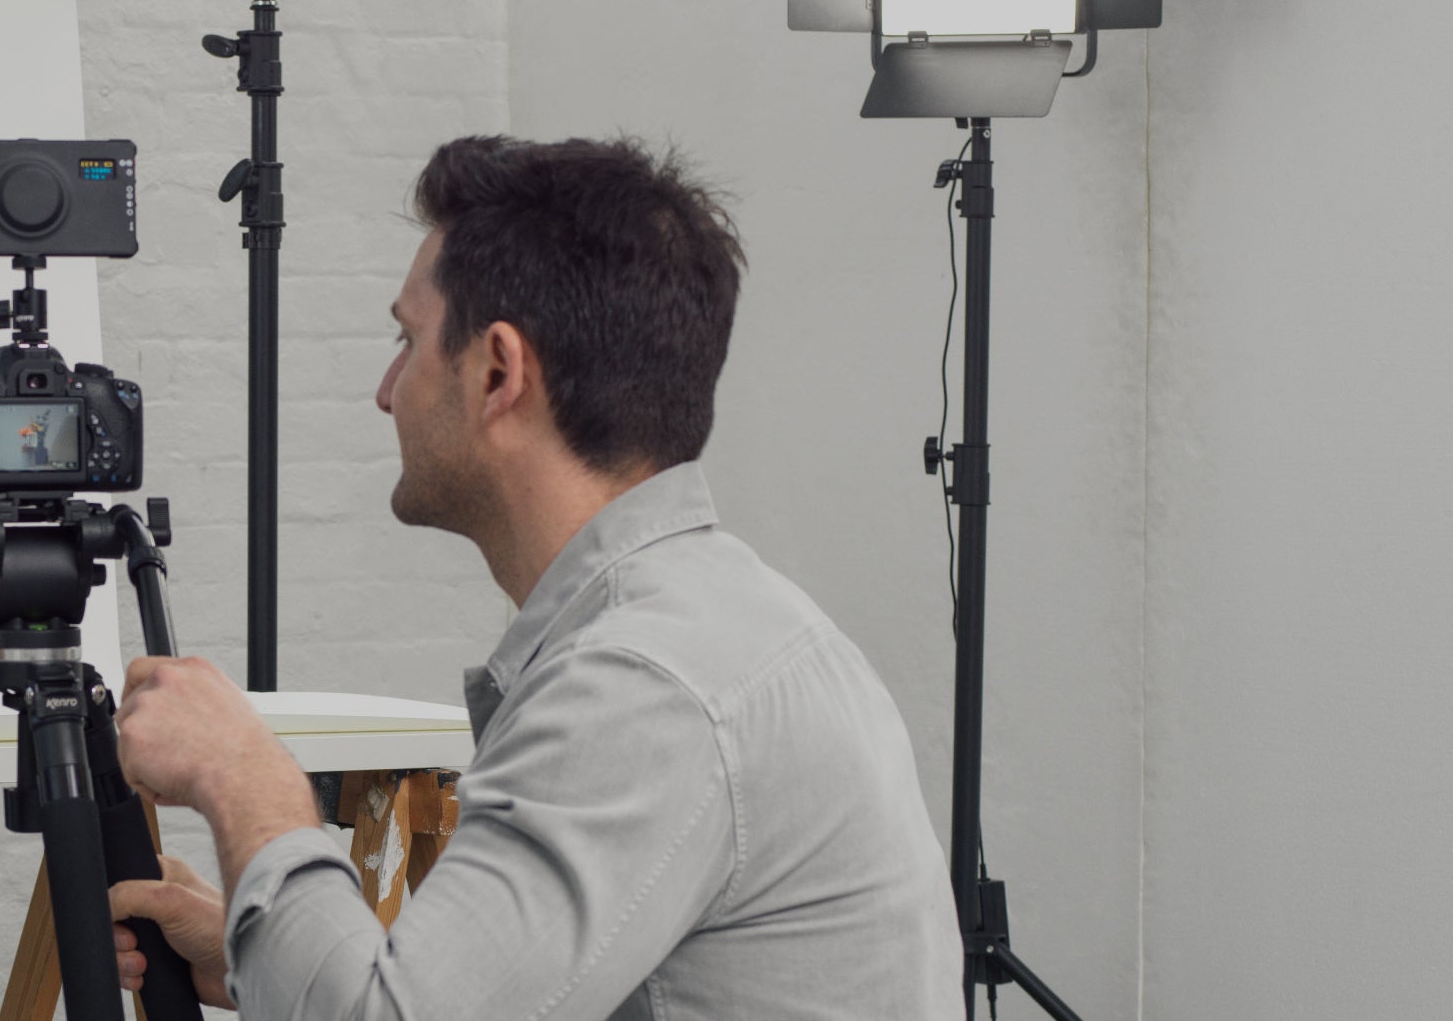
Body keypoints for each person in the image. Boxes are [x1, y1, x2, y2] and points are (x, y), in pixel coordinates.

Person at [108, 136, 956, 1020]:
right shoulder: (717, 624)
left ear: (499, 371)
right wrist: (261, 955)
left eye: (407, 341)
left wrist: (246, 779)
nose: (387, 390)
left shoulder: (642, 687)